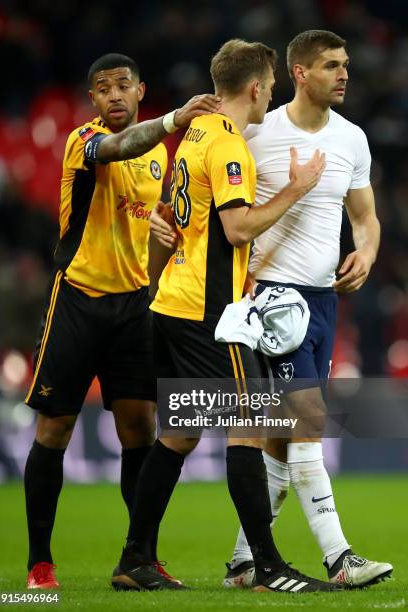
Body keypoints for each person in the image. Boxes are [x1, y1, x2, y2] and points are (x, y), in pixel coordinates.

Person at [151, 31, 393, 589]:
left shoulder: (352, 140)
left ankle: (243, 561)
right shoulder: (255, 131)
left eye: (347, 64)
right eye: (332, 65)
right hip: (269, 299)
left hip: (323, 299)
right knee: (304, 425)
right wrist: (166, 224)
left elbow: (365, 215)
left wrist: (367, 252)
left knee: (282, 439)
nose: (345, 74)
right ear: (300, 73)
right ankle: (339, 557)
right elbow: (203, 197)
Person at [111, 39, 343, 594]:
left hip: (171, 303)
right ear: (258, 88)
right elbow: (238, 228)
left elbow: (172, 212)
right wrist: (297, 186)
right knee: (252, 427)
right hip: (208, 313)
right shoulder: (228, 143)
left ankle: (135, 559)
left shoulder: (192, 135)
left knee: (181, 435)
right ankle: (265, 567)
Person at [24, 52, 221, 590]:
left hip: (136, 307)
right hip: (78, 299)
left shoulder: (161, 161)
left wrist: (162, 242)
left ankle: (138, 559)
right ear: (93, 99)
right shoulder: (84, 141)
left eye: (122, 86)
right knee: (55, 428)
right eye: (102, 87)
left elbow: (155, 226)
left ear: (139, 91)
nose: (112, 94)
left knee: (140, 430)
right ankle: (40, 563)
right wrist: (175, 119)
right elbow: (119, 146)